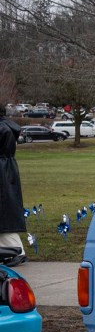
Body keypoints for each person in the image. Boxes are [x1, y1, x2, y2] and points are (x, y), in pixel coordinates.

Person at [0, 106, 27, 264]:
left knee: (4, 217)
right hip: (6, 170)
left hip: (3, 172)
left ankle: (16, 252)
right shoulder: (7, 127)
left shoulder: (3, 129)